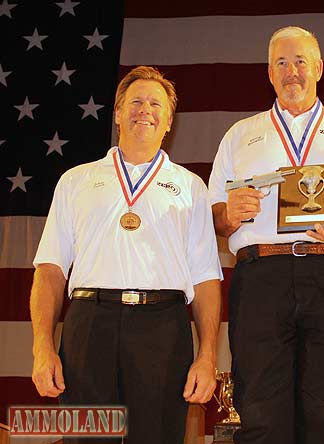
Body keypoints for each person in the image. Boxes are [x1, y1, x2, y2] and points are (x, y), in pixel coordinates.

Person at [208, 26, 324, 444]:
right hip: (260, 277)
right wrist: (229, 215)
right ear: (269, 74)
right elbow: (213, 214)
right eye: (281, 63)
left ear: (319, 68)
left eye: (300, 62)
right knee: (259, 412)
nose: (292, 72)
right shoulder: (240, 134)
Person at [30, 66, 223, 444]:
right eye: (135, 101)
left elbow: (205, 278)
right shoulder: (76, 181)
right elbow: (51, 269)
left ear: (169, 121)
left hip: (163, 328)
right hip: (89, 323)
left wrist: (207, 355)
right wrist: (42, 345)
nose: (144, 110)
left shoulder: (190, 187)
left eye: (156, 104)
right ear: (117, 113)